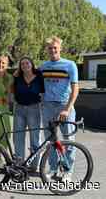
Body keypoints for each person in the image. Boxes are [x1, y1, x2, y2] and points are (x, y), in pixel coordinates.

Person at [40, 36, 79, 182]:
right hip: (49, 107)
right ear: (47, 50)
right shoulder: (43, 66)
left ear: (60, 48)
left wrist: (67, 109)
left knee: (68, 139)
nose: (53, 50)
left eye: (55, 48)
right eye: (50, 48)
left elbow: (75, 89)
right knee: (51, 140)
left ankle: (67, 171)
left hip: (64, 106)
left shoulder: (70, 65)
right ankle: (54, 168)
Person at [13, 56, 45, 172]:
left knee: (35, 137)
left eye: (27, 63)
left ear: (32, 64)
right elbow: (13, 90)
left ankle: (34, 165)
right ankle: (19, 163)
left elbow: (43, 91)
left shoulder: (39, 76)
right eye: (22, 64)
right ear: (20, 67)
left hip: (34, 109)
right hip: (19, 109)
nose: (25, 65)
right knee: (18, 137)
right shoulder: (17, 77)